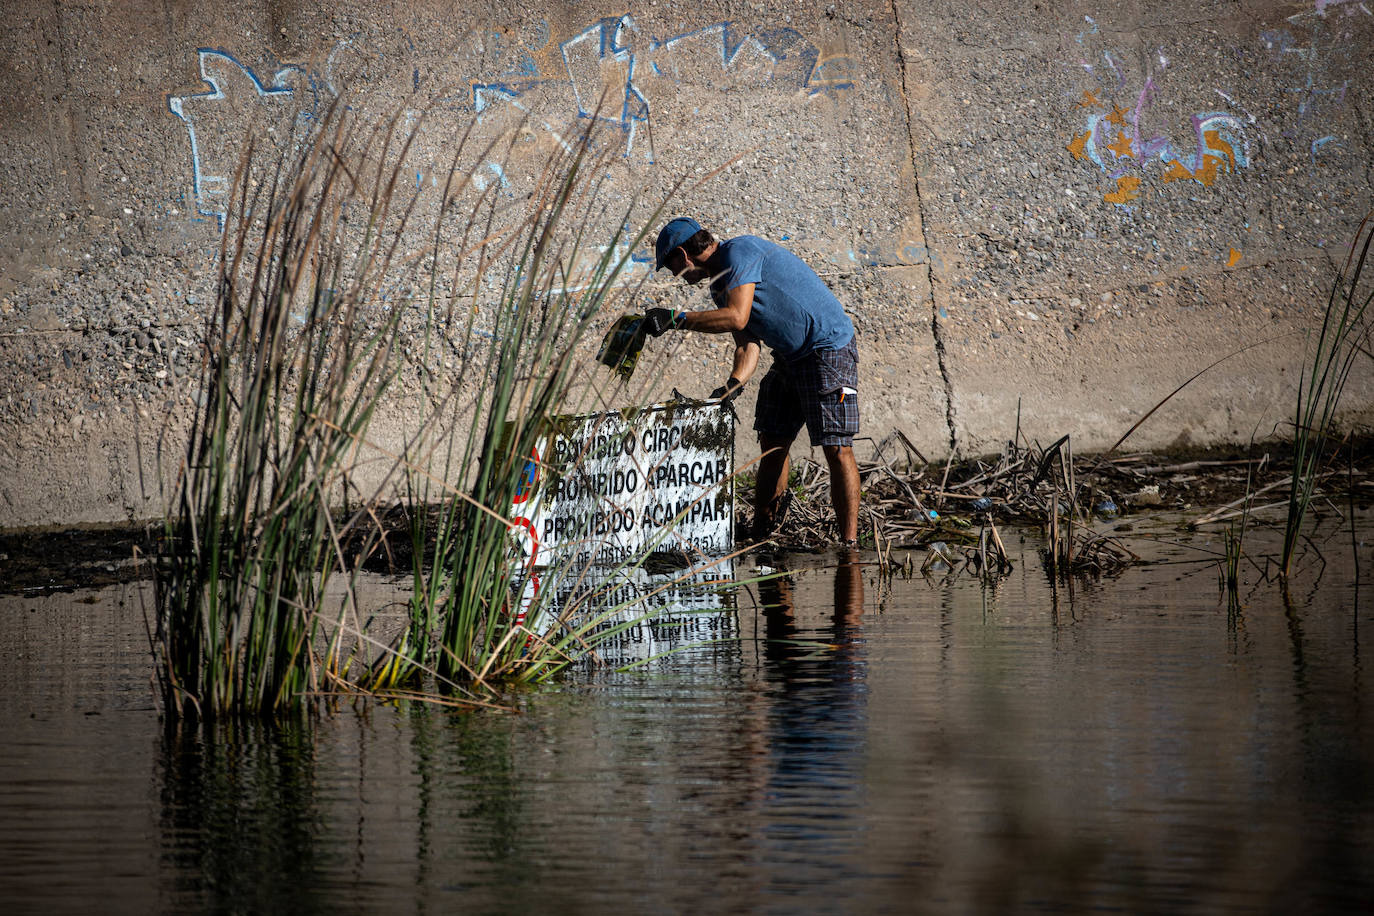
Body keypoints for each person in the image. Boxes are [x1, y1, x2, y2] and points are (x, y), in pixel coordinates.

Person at [643, 216, 860, 546]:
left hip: (827, 348)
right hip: (790, 357)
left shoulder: (738, 252)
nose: (675, 275)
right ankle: (763, 534)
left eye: (672, 266)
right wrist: (731, 385)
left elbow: (737, 316)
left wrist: (677, 319)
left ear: (684, 256)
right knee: (772, 442)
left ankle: (849, 546)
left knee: (837, 448)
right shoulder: (720, 287)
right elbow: (747, 342)